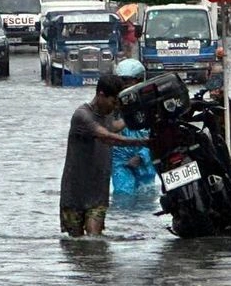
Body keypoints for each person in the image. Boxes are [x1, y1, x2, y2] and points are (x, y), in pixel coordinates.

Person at [59, 75, 151, 238]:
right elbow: (108, 137)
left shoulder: (107, 116)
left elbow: (116, 126)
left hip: (98, 193)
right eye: (113, 102)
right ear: (101, 95)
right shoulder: (82, 116)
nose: (115, 107)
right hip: (75, 193)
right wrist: (145, 142)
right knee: (75, 244)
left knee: (95, 241)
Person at [111, 59, 157, 196]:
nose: (124, 85)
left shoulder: (150, 103)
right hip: (120, 160)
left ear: (138, 80)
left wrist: (141, 156)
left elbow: (156, 134)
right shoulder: (112, 104)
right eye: (121, 81)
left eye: (127, 80)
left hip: (145, 159)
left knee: (147, 194)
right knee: (123, 194)